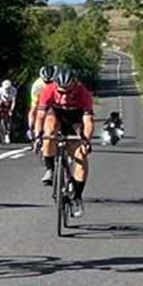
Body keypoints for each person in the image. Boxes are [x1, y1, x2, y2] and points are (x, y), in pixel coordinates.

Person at [34, 67, 94, 217]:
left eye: (69, 92)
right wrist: (37, 136)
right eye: (61, 92)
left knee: (81, 156)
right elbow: (40, 116)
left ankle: (77, 197)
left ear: (75, 84)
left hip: (75, 120)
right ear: (55, 86)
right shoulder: (48, 90)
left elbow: (88, 121)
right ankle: (50, 170)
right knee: (49, 133)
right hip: (56, 115)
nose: (65, 97)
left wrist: (86, 140)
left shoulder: (83, 93)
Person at [27, 66, 54, 140]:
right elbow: (35, 104)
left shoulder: (57, 82)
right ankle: (31, 129)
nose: (48, 84)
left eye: (50, 82)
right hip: (40, 98)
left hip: (53, 99)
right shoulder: (37, 86)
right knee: (34, 109)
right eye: (46, 82)